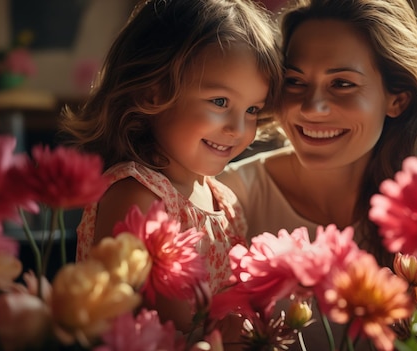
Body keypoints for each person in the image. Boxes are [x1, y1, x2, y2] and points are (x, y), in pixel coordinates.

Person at [217, 0, 417, 349]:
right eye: (295, 81)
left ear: (398, 100)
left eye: (342, 84)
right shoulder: (230, 197)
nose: (312, 107)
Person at [59, 0, 283, 338]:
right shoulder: (137, 196)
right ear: (153, 92)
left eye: (252, 109)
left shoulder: (225, 201)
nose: (238, 128)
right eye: (220, 102)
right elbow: (172, 329)